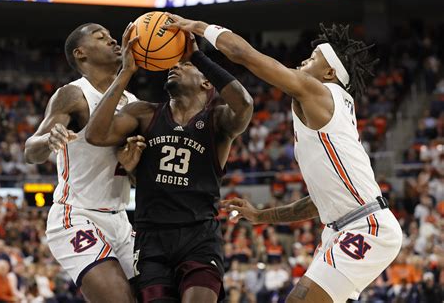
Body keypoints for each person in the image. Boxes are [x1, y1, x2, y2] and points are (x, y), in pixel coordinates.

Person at [164, 16, 403, 302]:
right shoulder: (329, 111)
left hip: (366, 226)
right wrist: (262, 216)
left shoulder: (321, 92)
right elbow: (318, 202)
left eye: (313, 57)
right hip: (344, 225)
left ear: (329, 73)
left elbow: (246, 56)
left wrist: (201, 30)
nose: (303, 61)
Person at [85, 24, 254, 302]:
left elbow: (245, 104)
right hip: (152, 238)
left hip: (198, 237)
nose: (173, 66)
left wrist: (197, 56)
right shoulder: (144, 113)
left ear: (206, 82)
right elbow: (95, 134)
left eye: (184, 64)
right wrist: (126, 71)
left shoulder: (218, 119)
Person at [24, 23, 142, 303]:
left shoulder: (134, 102)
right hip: (76, 216)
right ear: (81, 54)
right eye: (101, 38)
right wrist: (48, 139)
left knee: (161, 294)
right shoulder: (74, 94)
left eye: (113, 38)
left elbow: (137, 177)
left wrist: (134, 166)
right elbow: (31, 150)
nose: (114, 42)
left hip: (121, 220)